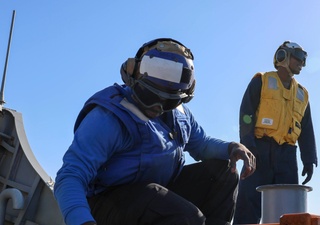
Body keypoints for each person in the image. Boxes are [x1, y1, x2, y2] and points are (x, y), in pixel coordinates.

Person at [54, 38, 256, 225]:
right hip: (107, 205)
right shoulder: (109, 118)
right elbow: (70, 176)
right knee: (186, 216)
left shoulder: (180, 115)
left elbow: (201, 144)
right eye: (149, 96)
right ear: (133, 79)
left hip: (155, 195)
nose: (157, 107)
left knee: (223, 173)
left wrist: (231, 148)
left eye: (168, 101)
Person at [232, 41, 318, 224]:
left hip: (287, 155)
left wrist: (309, 159)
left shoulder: (302, 94)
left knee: (288, 210)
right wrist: (249, 146)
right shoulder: (261, 81)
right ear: (283, 56)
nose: (302, 63)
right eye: (299, 57)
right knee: (248, 204)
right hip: (258, 150)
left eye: (305, 60)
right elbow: (246, 114)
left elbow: (306, 128)